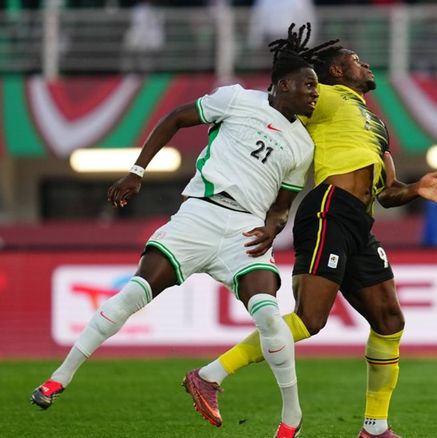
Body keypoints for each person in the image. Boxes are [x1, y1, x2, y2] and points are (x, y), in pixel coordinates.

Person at [31, 31, 320, 438]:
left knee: (270, 317)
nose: (315, 93)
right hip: (199, 215)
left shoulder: (303, 145)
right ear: (284, 84)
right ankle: (59, 378)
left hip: (244, 231)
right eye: (309, 84)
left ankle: (291, 418)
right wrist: (136, 171)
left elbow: (281, 206)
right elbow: (175, 119)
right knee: (134, 293)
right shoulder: (236, 99)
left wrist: (273, 229)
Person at [186, 24, 437, 438]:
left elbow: (387, 193)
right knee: (310, 319)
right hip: (329, 209)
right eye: (356, 60)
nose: (366, 65)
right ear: (336, 70)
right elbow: (280, 96)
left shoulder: (377, 123)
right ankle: (211, 374)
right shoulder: (325, 96)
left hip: (360, 221)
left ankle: (375, 427)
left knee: (389, 320)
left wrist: (416, 189)